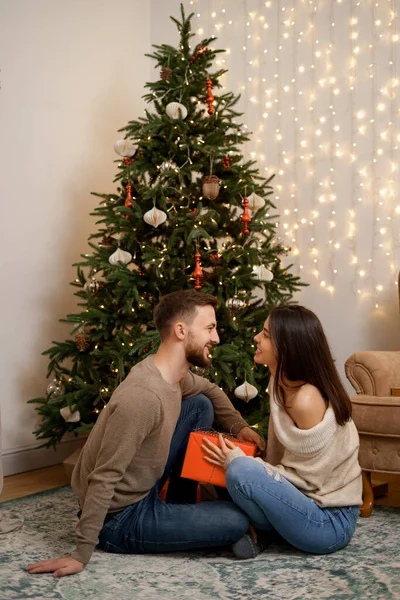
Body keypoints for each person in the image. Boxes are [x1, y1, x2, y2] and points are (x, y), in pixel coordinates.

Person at [27, 290, 265, 577]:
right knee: (236, 520)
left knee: (199, 405)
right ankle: (189, 524)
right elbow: (104, 476)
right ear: (180, 330)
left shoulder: (171, 375)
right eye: (210, 328)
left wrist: (240, 428)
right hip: (119, 519)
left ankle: (181, 507)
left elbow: (210, 390)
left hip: (144, 485)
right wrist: (81, 553)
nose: (215, 339)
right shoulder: (142, 398)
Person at [202, 304, 362, 559]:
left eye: (265, 334)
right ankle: (267, 533)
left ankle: (262, 532)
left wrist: (243, 463)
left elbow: (311, 481)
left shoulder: (306, 400)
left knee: (240, 469)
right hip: (303, 503)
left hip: (329, 521)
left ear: (287, 347)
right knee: (219, 467)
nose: (256, 338)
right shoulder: (279, 381)